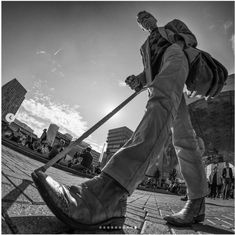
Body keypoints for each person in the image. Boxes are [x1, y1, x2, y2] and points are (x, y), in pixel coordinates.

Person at [32, 11, 208, 229]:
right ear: (142, 27)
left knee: (160, 106)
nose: (145, 20)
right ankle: (197, 200)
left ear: (154, 17)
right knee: (183, 137)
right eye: (141, 21)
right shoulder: (144, 48)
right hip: (160, 77)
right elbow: (148, 71)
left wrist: (176, 47)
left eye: (146, 17)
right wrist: (139, 79)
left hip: (176, 59)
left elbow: (190, 39)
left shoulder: (172, 26)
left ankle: (109, 192)